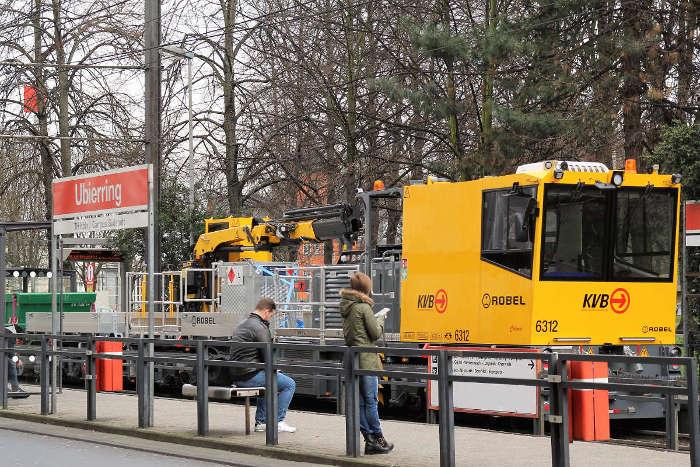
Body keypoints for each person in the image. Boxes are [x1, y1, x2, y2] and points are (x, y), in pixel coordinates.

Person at [340, 272, 394, 455]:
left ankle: (369, 440)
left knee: (361, 402)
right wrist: (380, 319)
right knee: (371, 401)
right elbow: (375, 334)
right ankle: (378, 438)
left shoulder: (347, 305)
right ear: (366, 288)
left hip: (353, 358)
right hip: (367, 360)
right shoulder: (363, 307)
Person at [228, 298, 297, 433]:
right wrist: (277, 369)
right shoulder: (260, 327)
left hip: (236, 374)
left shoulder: (242, 324)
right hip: (248, 376)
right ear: (266, 311)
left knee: (269, 378)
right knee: (289, 384)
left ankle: (262, 422)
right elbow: (268, 356)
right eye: (271, 315)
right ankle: (278, 421)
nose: (270, 318)